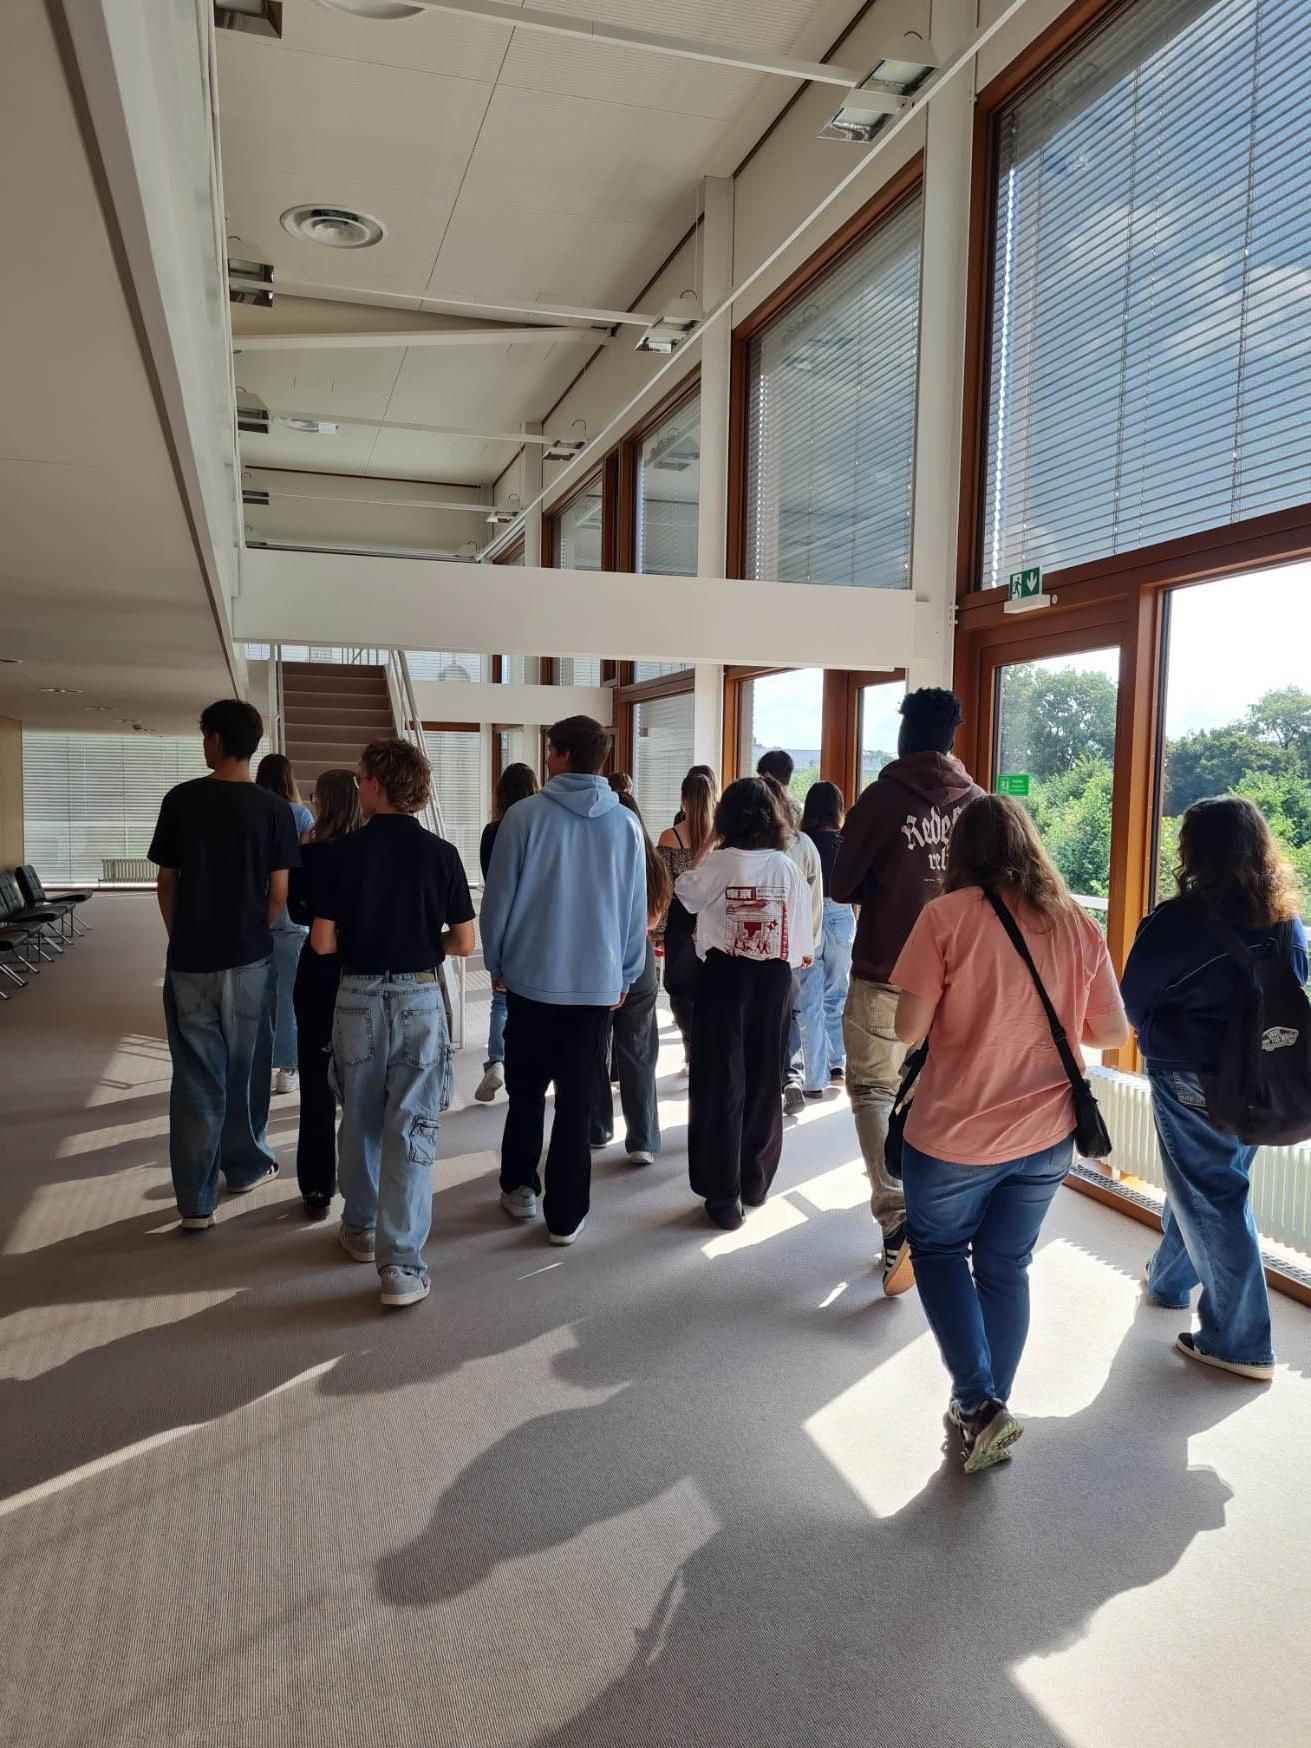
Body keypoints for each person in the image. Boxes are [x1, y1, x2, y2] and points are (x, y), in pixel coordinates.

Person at [891, 795, 1128, 1471]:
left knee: (939, 1251)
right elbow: (1111, 1033)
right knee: (1005, 1266)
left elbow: (907, 1029)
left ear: (961, 851)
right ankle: (989, 1405)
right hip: (1047, 1134)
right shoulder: (1075, 920)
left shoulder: (944, 917)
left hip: (955, 1133)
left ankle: (978, 1401)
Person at [1122, 796, 1307, 1382]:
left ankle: (1241, 1342)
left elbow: (1133, 1002)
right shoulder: (1285, 921)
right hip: (1258, 1078)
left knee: (1212, 1195)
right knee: (1209, 1184)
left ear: (1193, 850)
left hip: (1190, 1074)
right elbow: (1296, 984)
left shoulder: (1176, 921)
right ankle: (1170, 1280)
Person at [310, 739, 475, 1308]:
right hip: (419, 999)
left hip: (356, 997)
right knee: (412, 1125)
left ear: (378, 785)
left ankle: (359, 1227)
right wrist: (421, 942)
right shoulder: (442, 854)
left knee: (358, 1115)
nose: (358, 786)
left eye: (361, 779)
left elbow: (322, 942)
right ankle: (401, 1267)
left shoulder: (340, 853)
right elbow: (464, 942)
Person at [832, 688, 983, 1293]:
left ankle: (897, 1217)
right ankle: (942, 1212)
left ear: (904, 734)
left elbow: (842, 883)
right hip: (954, 979)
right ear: (951, 737)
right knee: (935, 1096)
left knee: (874, 1088)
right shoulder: (979, 804)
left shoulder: (881, 798)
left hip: (884, 969)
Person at [481, 715, 647, 1245]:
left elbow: (498, 903)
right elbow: (634, 911)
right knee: (578, 1101)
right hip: (596, 986)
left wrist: (496, 963)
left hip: (530, 980)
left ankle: (519, 1188)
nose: (547, 757)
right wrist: (627, 971)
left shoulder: (523, 817)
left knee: (526, 1092)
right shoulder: (625, 825)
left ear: (563, 756)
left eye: (551, 749)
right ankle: (566, 1215)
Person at [148, 699, 300, 1230]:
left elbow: (166, 884)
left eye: (204, 735)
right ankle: (245, 1166)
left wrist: (182, 936)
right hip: (250, 958)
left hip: (191, 959)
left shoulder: (180, 800)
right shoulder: (275, 810)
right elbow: (279, 894)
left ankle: (195, 1201)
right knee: (247, 1068)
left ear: (214, 739)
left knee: (195, 1077)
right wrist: (254, 933)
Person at [676, 777, 814, 1231]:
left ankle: (723, 1196)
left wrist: (708, 844)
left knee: (721, 1082)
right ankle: (754, 1181)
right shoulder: (786, 867)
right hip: (774, 980)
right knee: (764, 1078)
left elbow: (685, 893)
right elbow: (802, 941)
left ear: (726, 818)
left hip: (724, 978)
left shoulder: (721, 862)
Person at [287, 768, 362, 1221]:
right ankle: (361, 1187)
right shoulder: (367, 853)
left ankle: (317, 1187)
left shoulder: (309, 853)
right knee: (361, 1086)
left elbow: (298, 913)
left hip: (316, 972)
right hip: (359, 972)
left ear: (324, 803)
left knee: (315, 1084)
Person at [590, 791, 672, 1167]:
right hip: (639, 958)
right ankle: (643, 1139)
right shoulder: (651, 861)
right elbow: (653, 919)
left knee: (595, 1046)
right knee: (637, 1050)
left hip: (598, 958)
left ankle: (597, 1127)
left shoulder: (597, 857)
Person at [474, 763, 540, 1104]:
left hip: (504, 919)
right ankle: (525, 1064)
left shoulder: (492, 831)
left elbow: (491, 879)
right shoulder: (540, 829)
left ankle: (496, 1062)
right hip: (534, 921)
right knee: (532, 1001)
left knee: (500, 999)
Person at [760, 773, 824, 1116]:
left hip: (754, 946)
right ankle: (791, 1076)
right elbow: (814, 899)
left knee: (759, 1014)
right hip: (792, 947)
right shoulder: (803, 844)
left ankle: (767, 1081)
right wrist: (808, 944)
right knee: (791, 1012)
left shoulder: (747, 848)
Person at [254, 753, 314, 1095]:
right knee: (290, 996)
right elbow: (307, 866)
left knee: (259, 996)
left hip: (256, 911)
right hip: (291, 916)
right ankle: (289, 1066)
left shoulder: (253, 811)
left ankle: (260, 1062)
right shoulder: (301, 815)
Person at [657, 768, 718, 1068]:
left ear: (683, 801)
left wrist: (657, 931)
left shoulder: (670, 837)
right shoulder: (723, 840)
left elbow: (664, 890)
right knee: (708, 991)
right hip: (713, 921)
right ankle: (702, 1051)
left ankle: (693, 1050)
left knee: (680, 991)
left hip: (680, 923)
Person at [798, 781, 855, 1090]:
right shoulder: (845, 841)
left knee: (810, 1000)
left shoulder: (802, 843)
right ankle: (838, 1066)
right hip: (842, 917)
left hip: (809, 918)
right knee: (837, 994)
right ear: (838, 809)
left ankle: (815, 1079)